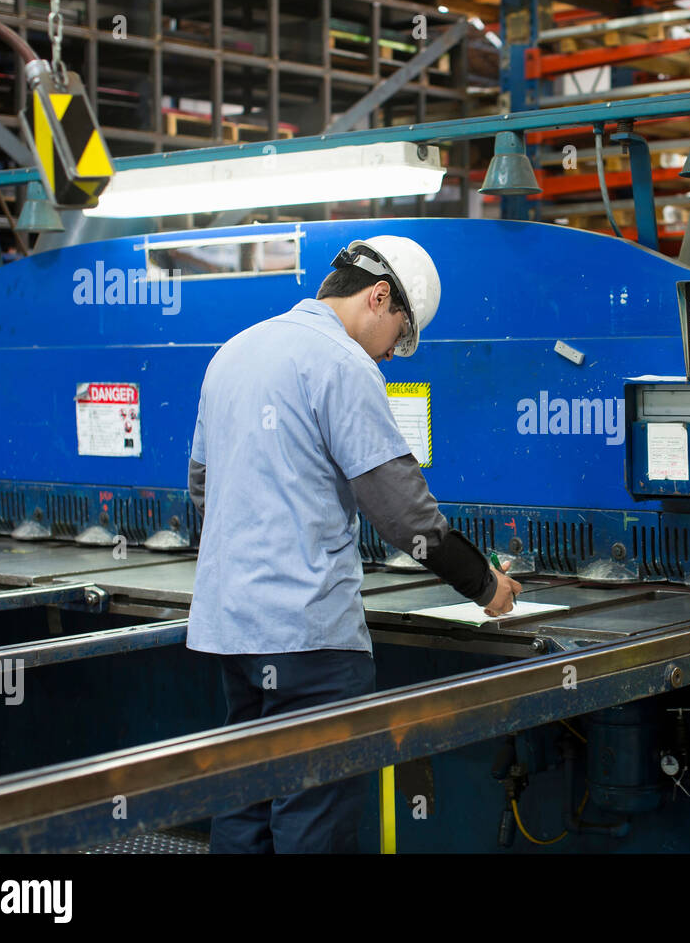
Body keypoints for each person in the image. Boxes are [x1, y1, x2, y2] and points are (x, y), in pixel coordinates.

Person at [185, 235, 521, 853]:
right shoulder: (341, 364)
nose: (393, 354)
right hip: (310, 640)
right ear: (380, 295)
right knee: (313, 814)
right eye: (400, 334)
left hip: (233, 629)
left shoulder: (232, 353)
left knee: (245, 801)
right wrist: (485, 585)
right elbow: (403, 513)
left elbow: (203, 487)